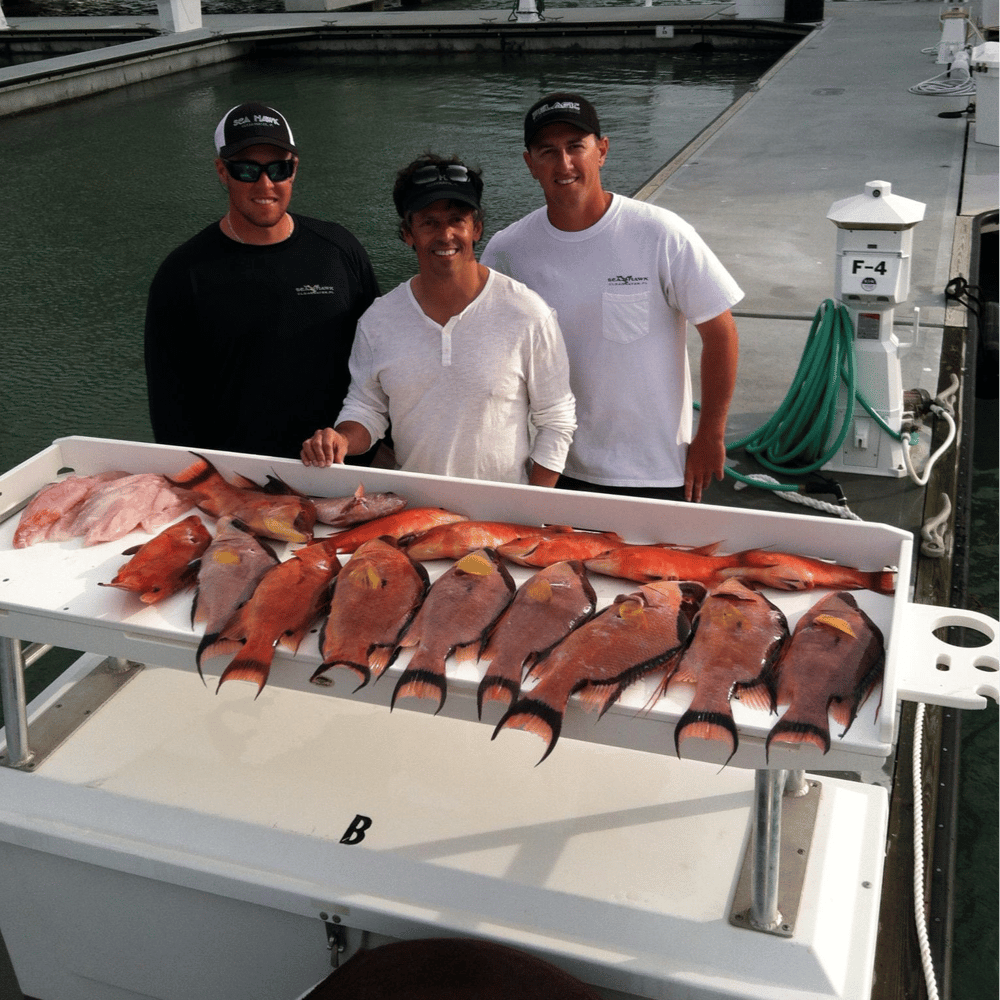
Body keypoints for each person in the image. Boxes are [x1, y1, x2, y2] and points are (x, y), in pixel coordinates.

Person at [480, 93, 742, 503]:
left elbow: (720, 332)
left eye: (575, 147)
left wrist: (710, 433)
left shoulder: (661, 233)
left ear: (601, 151)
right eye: (548, 151)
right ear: (530, 164)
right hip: (552, 467)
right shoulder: (507, 250)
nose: (563, 164)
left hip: (655, 471)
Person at [300, 154, 575, 487]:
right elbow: (366, 408)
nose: (445, 234)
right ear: (407, 234)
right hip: (414, 513)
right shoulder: (379, 319)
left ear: (477, 227)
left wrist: (532, 508)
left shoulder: (528, 313)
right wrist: (342, 439)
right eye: (429, 222)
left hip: (501, 519)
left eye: (457, 219)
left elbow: (556, 420)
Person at [144, 101, 380, 461]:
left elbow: (379, 362)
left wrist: (384, 449)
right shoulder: (181, 274)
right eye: (246, 170)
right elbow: (170, 406)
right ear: (222, 172)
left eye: (278, 168)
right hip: (242, 486)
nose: (265, 183)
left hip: (342, 473)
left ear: (294, 170)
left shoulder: (338, 249)